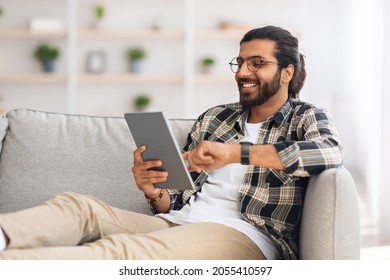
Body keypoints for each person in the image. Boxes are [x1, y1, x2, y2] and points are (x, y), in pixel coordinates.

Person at [0, 25, 343, 260]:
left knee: (121, 251)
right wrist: (154, 190)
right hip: (180, 221)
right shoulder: (215, 118)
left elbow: (329, 153)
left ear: (286, 72)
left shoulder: (304, 116)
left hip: (248, 236)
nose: (242, 72)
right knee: (79, 208)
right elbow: (175, 201)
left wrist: (236, 153)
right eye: (240, 62)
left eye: (258, 63)